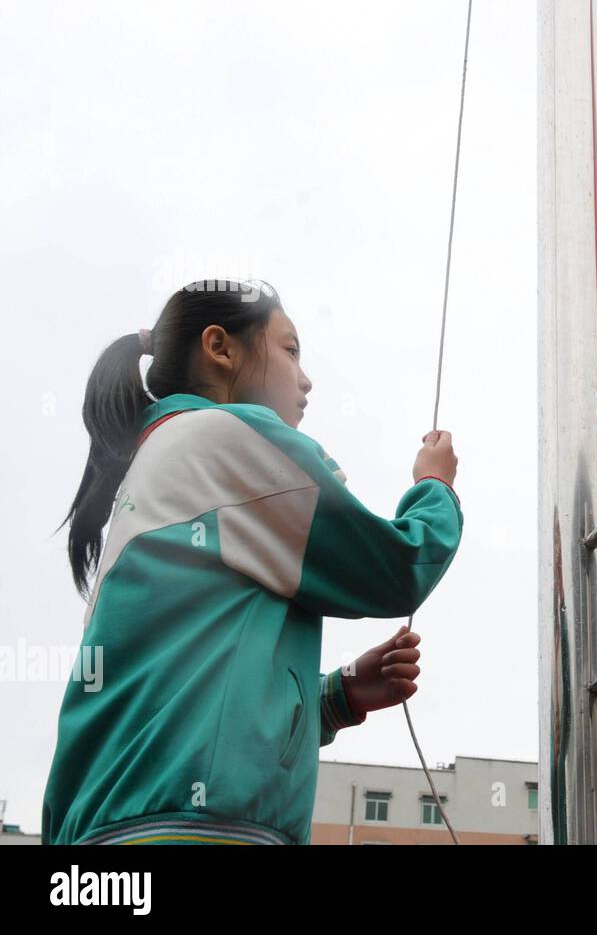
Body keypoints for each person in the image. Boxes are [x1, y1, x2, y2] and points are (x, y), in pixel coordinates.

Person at [43, 278, 463, 845]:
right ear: (220, 348)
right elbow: (397, 566)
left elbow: (187, 699)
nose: (306, 378)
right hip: (194, 830)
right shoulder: (226, 437)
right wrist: (435, 486)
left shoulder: (154, 469)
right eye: (290, 350)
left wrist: (337, 698)